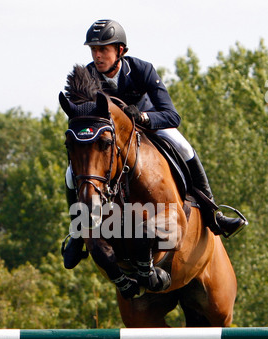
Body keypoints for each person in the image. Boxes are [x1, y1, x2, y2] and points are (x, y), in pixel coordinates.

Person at [63, 19, 246, 270]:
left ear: (120, 51)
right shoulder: (88, 75)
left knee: (183, 146)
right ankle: (77, 231)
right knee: (71, 174)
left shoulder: (141, 70)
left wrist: (143, 117)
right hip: (111, 140)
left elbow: (172, 116)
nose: (97, 55)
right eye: (94, 50)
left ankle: (213, 212)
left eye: (103, 49)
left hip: (148, 126)